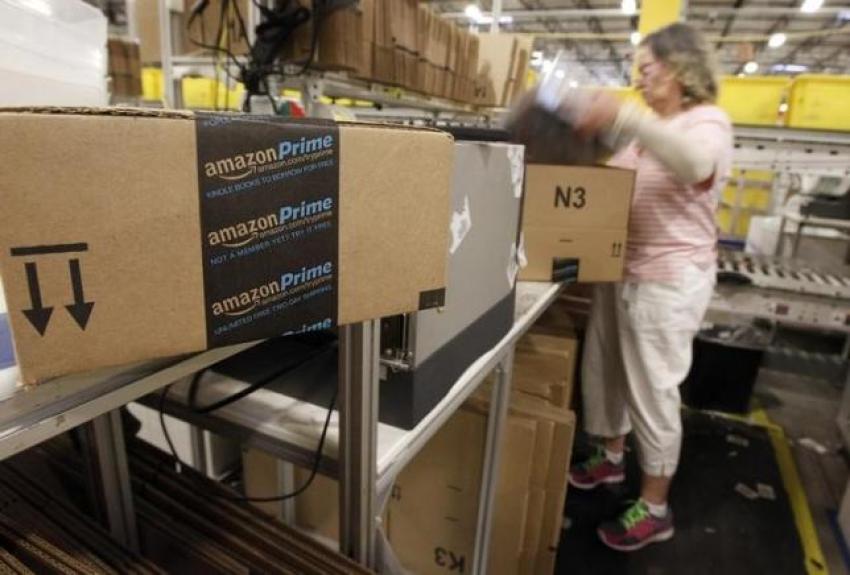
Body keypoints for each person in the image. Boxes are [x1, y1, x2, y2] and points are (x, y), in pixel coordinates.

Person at [565, 22, 733, 552]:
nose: (639, 80)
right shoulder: (648, 131)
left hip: (668, 281)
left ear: (681, 70)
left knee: (652, 388)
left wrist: (624, 115)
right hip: (623, 269)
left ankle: (655, 507)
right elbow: (609, 183)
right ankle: (610, 458)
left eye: (647, 69)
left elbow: (694, 165)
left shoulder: (706, 124)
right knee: (607, 370)